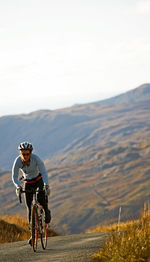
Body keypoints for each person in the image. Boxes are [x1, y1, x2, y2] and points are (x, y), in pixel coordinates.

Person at [12, 141, 51, 245]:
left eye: (27, 154)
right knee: (29, 207)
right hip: (28, 182)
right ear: (21, 154)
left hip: (38, 180)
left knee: (41, 198)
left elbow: (44, 172)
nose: (25, 156)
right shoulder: (18, 161)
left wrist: (46, 185)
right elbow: (14, 177)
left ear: (31, 153)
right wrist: (18, 187)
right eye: (23, 154)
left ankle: (46, 210)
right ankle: (33, 235)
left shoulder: (36, 159)